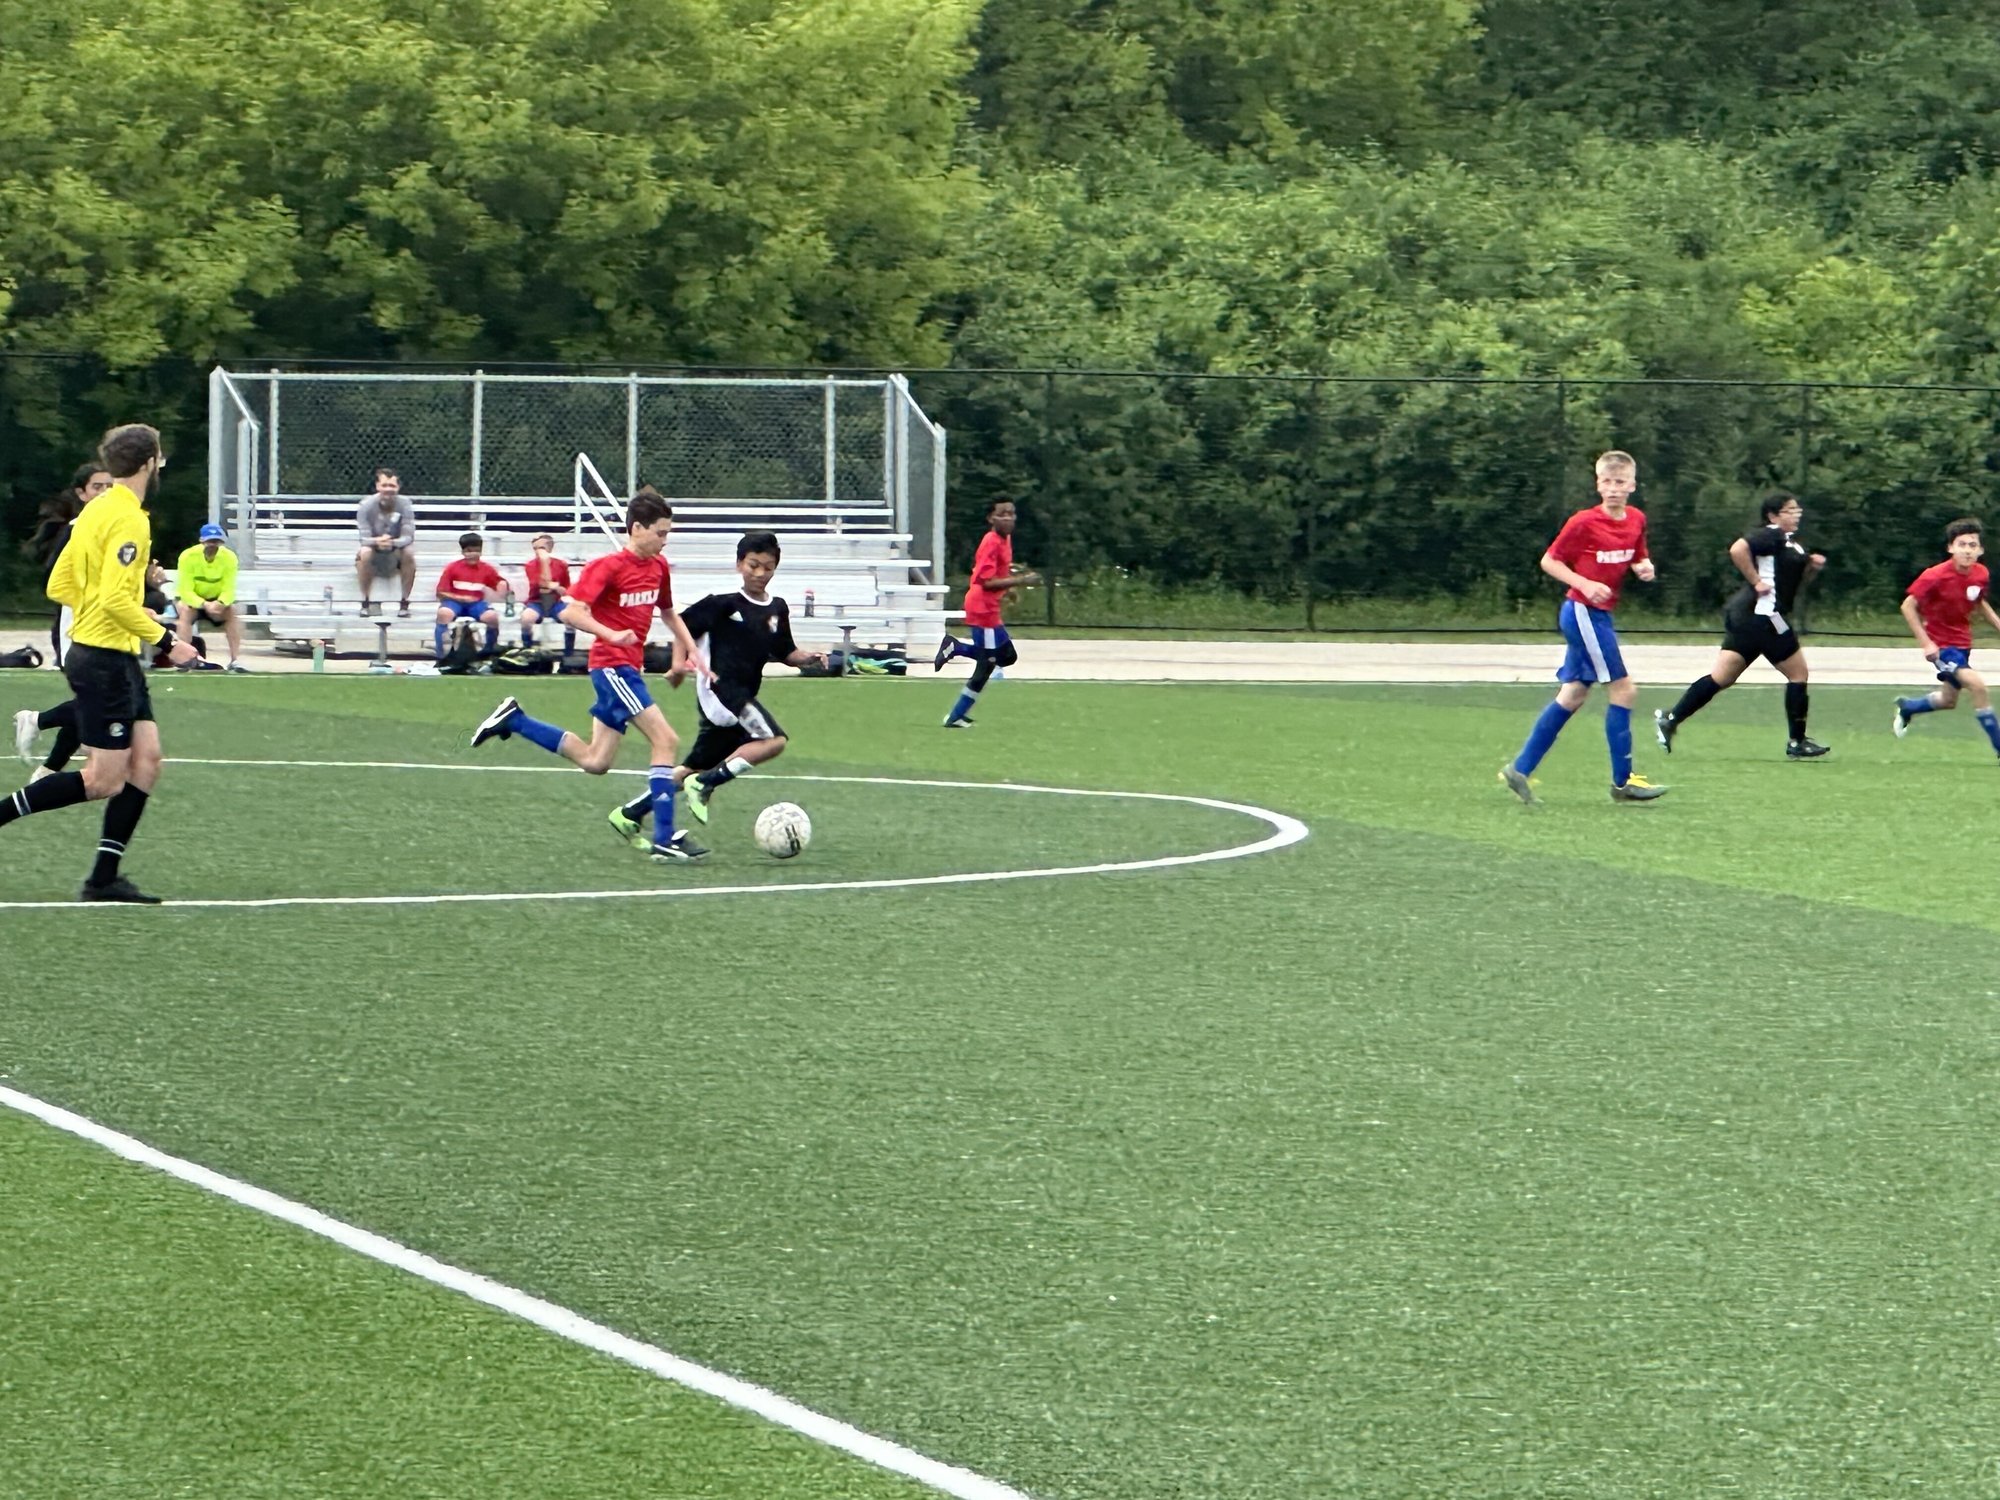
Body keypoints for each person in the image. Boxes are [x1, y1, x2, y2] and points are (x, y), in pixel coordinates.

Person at [0, 423, 200, 902]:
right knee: (103, 780)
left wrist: (119, 609)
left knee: (146, 762)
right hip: (103, 659)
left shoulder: (94, 510)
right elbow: (112, 597)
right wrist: (169, 639)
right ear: (151, 462)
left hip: (113, 654)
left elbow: (60, 585)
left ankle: (103, 878)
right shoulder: (129, 517)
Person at [469, 490, 711, 863]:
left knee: (596, 761)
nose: (665, 540)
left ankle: (516, 720)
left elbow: (668, 612)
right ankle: (664, 837)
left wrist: (692, 652)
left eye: (668, 533)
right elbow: (570, 612)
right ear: (637, 528)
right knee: (666, 739)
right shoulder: (608, 567)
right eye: (661, 533)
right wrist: (611, 634)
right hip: (612, 667)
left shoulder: (658, 568)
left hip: (628, 668)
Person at [609, 531, 828, 839]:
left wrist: (808, 657)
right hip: (721, 691)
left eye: (767, 567)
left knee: (690, 769)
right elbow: (681, 625)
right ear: (739, 564)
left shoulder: (777, 608)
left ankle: (630, 814)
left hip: (740, 699)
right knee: (773, 741)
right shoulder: (722, 605)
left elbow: (785, 652)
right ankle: (706, 784)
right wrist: (677, 665)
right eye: (753, 565)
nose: (760, 573)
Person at [1498, 450, 1668, 805]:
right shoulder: (1583, 522)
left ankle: (1520, 769)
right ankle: (1623, 783)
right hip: (1583, 611)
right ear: (1598, 484)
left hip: (1599, 614)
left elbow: (1638, 553)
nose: (1613, 488)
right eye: (1607, 481)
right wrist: (1585, 584)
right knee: (1624, 690)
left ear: (1632, 486)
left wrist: (1644, 567)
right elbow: (1549, 561)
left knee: (1573, 695)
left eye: (1620, 482)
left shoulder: (1636, 519)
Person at [1654, 492, 1829, 759]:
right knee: (1798, 675)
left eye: (1797, 510)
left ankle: (1671, 718)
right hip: (1765, 616)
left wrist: (1811, 568)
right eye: (1790, 510)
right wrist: (1756, 581)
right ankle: (1797, 741)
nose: (1797, 514)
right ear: (1773, 516)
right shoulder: (1771, 534)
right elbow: (1738, 549)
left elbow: (1791, 582)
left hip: (1749, 617)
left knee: (1722, 678)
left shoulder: (1789, 543)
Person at [1891, 518, 2000, 756]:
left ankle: (1908, 707)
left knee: (1948, 701)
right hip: (1942, 646)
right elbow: (1908, 606)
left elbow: (1979, 602)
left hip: (1962, 643)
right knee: (1978, 686)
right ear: (1950, 548)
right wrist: (1926, 643)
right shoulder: (1935, 576)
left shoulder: (1980, 573)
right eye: (1962, 544)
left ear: (1980, 550)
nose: (1968, 550)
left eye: (1973, 545)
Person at [933, 498, 1040, 728]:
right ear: (991, 518)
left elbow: (999, 575)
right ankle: (955, 716)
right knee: (986, 665)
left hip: (990, 608)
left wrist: (1009, 589)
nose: (1009, 517)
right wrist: (1021, 581)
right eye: (1002, 514)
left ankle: (956, 647)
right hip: (983, 609)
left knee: (1008, 656)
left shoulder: (1005, 539)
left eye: (1012, 513)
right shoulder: (990, 542)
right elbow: (986, 582)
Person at [30, 463, 112, 666]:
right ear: (82, 493)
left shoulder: (123, 526)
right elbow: (54, 574)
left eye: (109, 486)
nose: (104, 492)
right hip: (78, 612)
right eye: (97, 486)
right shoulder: (75, 529)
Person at [174, 522, 248, 671]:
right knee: (185, 611)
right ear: (202, 540)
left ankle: (235, 660)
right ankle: (184, 659)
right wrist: (204, 604)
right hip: (194, 602)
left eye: (217, 541)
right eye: (210, 541)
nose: (213, 545)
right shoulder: (187, 556)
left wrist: (220, 603)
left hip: (216, 602)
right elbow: (185, 590)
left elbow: (229, 588)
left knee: (232, 612)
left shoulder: (229, 557)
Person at [433, 532, 509, 661]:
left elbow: (498, 583)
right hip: (454, 602)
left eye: (477, 551)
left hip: (476, 603)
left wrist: (503, 586)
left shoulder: (487, 569)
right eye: (469, 551)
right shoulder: (453, 568)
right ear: (463, 552)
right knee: (443, 613)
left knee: (492, 617)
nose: (473, 554)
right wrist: (460, 598)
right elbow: (440, 592)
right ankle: (442, 655)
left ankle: (489, 651)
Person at [354, 466, 416, 617]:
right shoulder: (366, 506)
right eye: (384, 485)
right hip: (374, 548)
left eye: (392, 485)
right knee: (365, 552)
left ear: (398, 487)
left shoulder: (405, 504)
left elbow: (408, 535)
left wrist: (392, 543)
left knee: (409, 553)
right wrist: (378, 541)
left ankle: (404, 601)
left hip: (395, 550)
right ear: (377, 486)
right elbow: (363, 537)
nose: (388, 489)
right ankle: (365, 601)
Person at [518, 532, 576, 653]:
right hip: (537, 602)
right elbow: (540, 584)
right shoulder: (530, 565)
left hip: (556, 602)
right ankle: (527, 650)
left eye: (541, 548)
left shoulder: (561, 565)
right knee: (526, 619)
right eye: (535, 548)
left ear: (550, 548)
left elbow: (566, 588)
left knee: (571, 619)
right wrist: (545, 564)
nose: (538, 551)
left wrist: (557, 588)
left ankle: (569, 653)